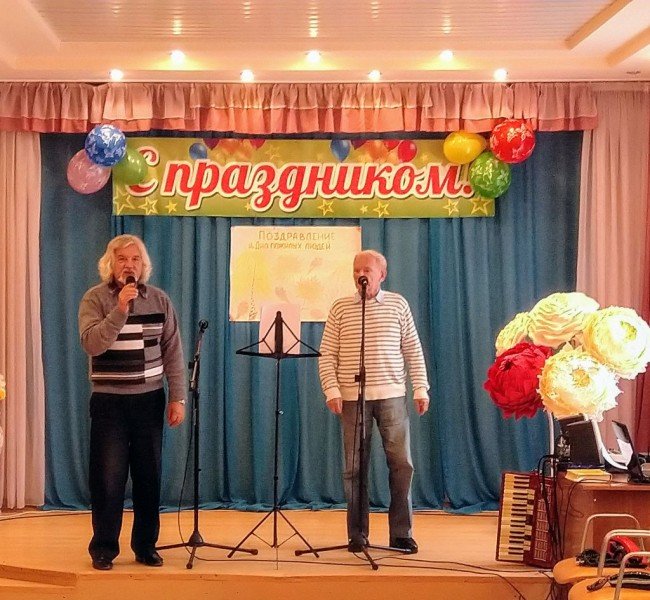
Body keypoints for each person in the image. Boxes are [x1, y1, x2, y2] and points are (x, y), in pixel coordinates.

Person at [79, 234, 186, 571]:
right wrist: (120, 310)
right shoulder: (95, 299)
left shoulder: (159, 300)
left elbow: (172, 351)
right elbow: (92, 344)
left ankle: (145, 546)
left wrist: (178, 397)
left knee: (148, 476)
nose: (129, 265)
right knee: (108, 478)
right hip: (109, 402)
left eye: (135, 259)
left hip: (149, 400)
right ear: (110, 264)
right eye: (122, 259)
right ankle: (103, 548)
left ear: (143, 265)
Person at [319, 249, 430, 554]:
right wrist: (331, 390)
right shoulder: (341, 308)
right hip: (352, 398)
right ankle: (357, 534)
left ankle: (401, 533)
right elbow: (327, 353)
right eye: (356, 270)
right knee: (354, 469)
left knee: (401, 465)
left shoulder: (398, 304)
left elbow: (412, 349)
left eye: (366, 270)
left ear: (382, 274)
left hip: (392, 395)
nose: (360, 275)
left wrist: (421, 388)